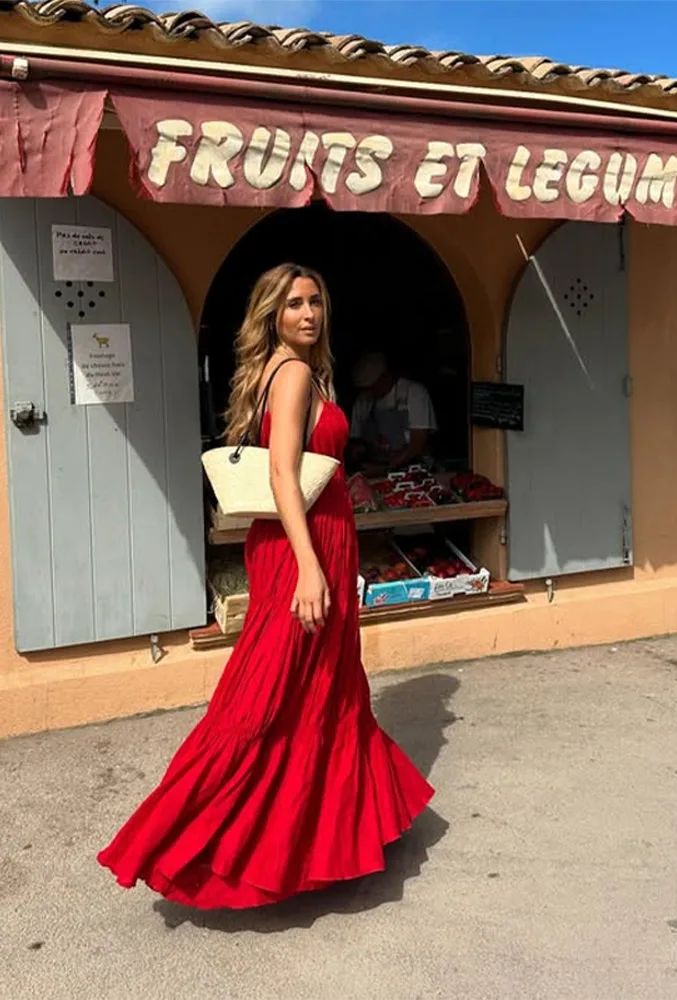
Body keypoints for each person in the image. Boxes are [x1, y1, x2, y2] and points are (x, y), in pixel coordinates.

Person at [97, 264, 434, 910]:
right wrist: (310, 565)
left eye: (316, 302)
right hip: (303, 546)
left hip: (306, 539)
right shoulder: (295, 373)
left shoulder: (279, 371)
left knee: (321, 689)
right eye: (294, 304)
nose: (309, 314)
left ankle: (319, 841)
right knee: (270, 693)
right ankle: (185, 840)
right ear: (272, 315)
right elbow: (282, 474)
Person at [349, 351, 437, 474]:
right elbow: (355, 439)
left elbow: (417, 444)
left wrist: (385, 469)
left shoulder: (414, 393)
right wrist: (357, 452)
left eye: (373, 386)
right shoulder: (363, 400)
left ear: (386, 376)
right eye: (367, 388)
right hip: (373, 468)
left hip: (413, 470)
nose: (370, 391)